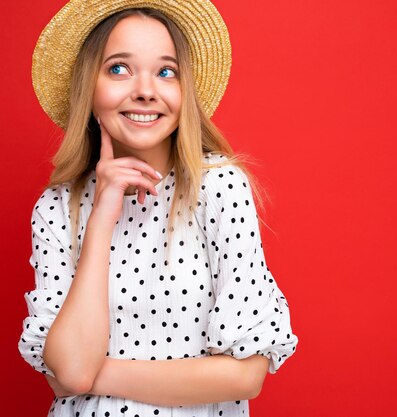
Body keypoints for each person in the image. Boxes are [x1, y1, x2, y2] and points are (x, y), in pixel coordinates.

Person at [17, 1, 299, 416]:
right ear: (88, 91)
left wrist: (93, 373)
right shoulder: (57, 208)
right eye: (118, 69)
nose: (146, 90)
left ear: (184, 94)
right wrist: (102, 217)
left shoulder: (218, 186)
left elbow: (245, 376)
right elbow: (70, 373)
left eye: (166, 72)